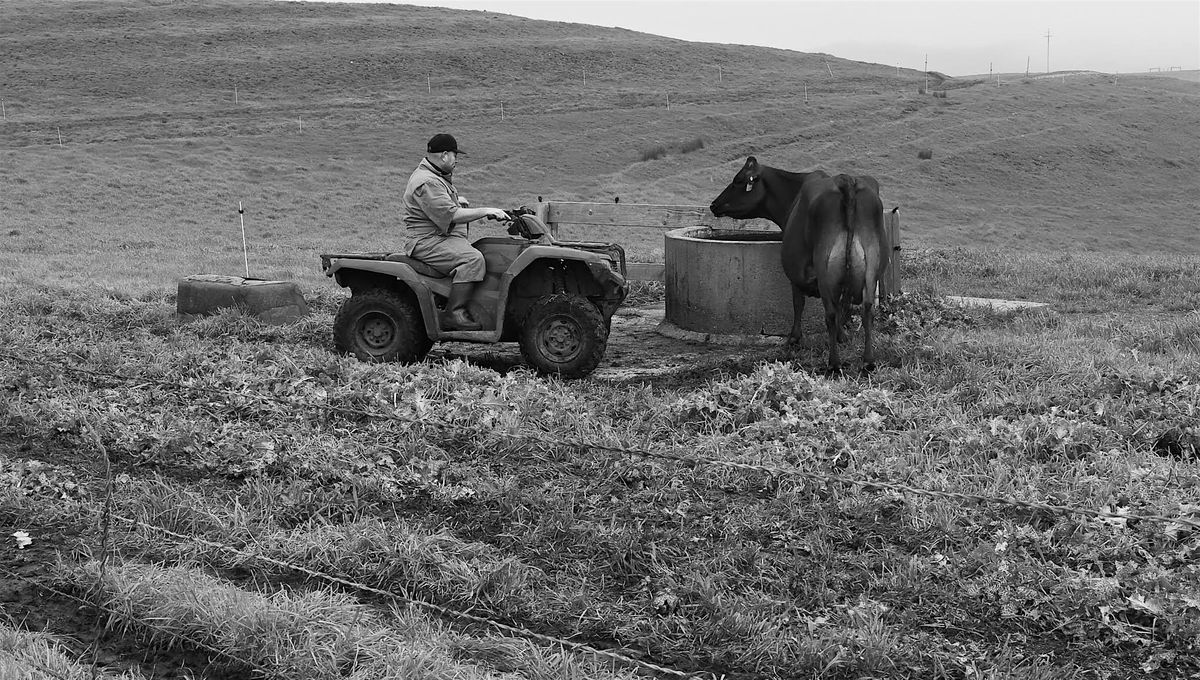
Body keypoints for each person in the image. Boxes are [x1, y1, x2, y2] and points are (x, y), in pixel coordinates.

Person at [402, 134, 508, 330]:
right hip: (428, 241)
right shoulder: (427, 181)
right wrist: (486, 210)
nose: (456, 160)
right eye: (454, 155)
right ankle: (454, 314)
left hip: (439, 238)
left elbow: (438, 204)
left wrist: (457, 201)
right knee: (472, 259)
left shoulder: (434, 176)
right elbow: (451, 215)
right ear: (444, 155)